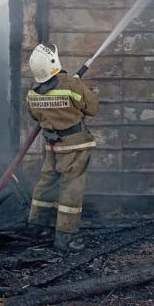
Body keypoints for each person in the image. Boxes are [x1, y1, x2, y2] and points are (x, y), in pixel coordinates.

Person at [26, 43, 99, 252]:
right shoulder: (71, 85)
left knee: (46, 183)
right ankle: (65, 237)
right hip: (75, 146)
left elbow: (35, 116)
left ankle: (38, 227)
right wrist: (80, 87)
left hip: (52, 146)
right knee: (71, 187)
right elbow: (92, 107)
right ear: (54, 62)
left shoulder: (32, 93)